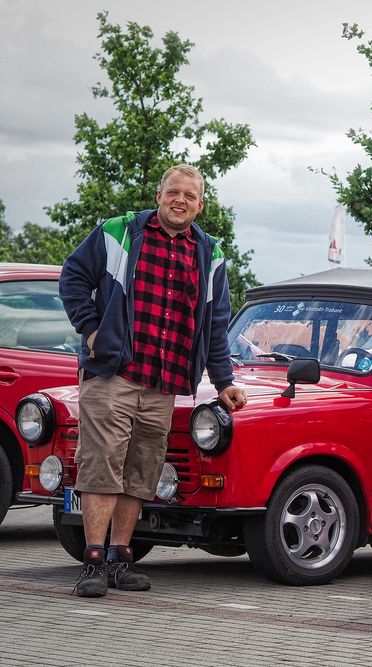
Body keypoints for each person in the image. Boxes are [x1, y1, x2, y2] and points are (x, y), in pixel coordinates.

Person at [60, 164, 247, 598]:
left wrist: (224, 382)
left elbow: (216, 326)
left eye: (189, 196)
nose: (180, 200)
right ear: (159, 195)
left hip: (164, 382)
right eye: (172, 193)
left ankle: (121, 559)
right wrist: (91, 330)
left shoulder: (211, 255)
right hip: (113, 374)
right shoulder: (118, 232)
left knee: (140, 471)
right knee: (101, 465)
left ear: (200, 205)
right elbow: (72, 277)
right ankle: (92, 562)